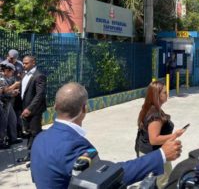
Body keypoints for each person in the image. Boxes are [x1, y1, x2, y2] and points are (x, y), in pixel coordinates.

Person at [31, 82, 183, 189]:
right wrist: (161, 155)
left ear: (55, 107)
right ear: (85, 109)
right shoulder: (74, 146)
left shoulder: (40, 139)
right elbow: (110, 177)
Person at [136, 81, 185, 188]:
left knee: (150, 183)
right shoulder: (155, 115)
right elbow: (154, 139)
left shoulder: (148, 108)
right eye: (164, 92)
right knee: (165, 183)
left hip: (146, 152)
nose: (167, 94)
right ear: (156, 95)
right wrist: (175, 135)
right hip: (156, 154)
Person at [17, 55, 46, 163]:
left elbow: (40, 95)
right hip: (24, 109)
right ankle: (30, 156)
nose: (24, 65)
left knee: (35, 133)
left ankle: (37, 158)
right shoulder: (24, 74)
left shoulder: (39, 76)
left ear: (33, 62)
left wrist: (30, 108)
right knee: (29, 133)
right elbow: (25, 91)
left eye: (26, 63)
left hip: (34, 110)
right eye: (23, 63)